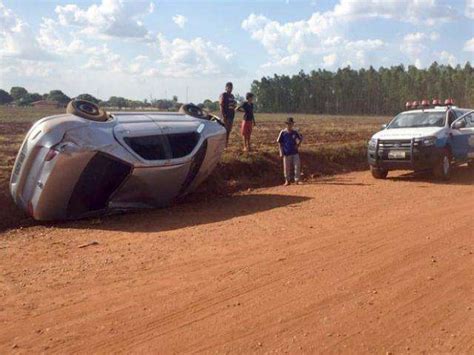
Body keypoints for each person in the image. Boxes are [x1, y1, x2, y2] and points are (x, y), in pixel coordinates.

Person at [277, 117, 303, 186]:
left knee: (297, 166)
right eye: (288, 124)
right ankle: (287, 180)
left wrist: (298, 145)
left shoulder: (295, 132)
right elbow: (279, 142)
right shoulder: (283, 132)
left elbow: (301, 138)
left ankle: (297, 180)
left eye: (291, 124)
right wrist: (281, 151)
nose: (290, 125)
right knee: (286, 168)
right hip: (286, 152)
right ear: (286, 124)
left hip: (295, 152)